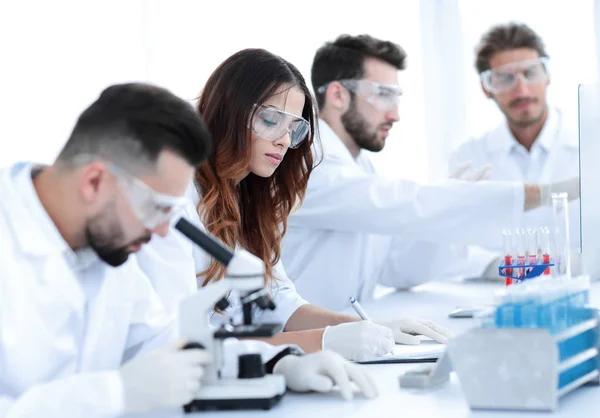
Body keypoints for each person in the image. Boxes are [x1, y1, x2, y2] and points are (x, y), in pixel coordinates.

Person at [0, 83, 377, 418]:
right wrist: (114, 393)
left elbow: (164, 342)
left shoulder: (104, 249)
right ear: (94, 181)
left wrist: (278, 363)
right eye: (158, 208)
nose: (164, 230)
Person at [137, 48, 454, 364]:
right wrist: (323, 340)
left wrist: (367, 326)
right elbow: (186, 339)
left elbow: (280, 301)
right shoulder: (178, 199)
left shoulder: (253, 195)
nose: (284, 141)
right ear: (229, 110)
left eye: (294, 128)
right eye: (270, 120)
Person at [279, 34, 580, 311]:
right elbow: (402, 203)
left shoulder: (358, 165)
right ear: (338, 95)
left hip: (344, 335)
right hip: (297, 341)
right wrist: (534, 194)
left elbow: (398, 269)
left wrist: (454, 214)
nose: (395, 114)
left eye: (395, 96)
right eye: (383, 94)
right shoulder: (307, 161)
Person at [448, 22, 580, 279]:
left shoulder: (590, 146)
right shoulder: (468, 156)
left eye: (530, 73)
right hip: (497, 295)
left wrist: (579, 263)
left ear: (547, 76)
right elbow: (451, 248)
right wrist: (501, 267)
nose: (521, 89)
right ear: (487, 88)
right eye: (505, 78)